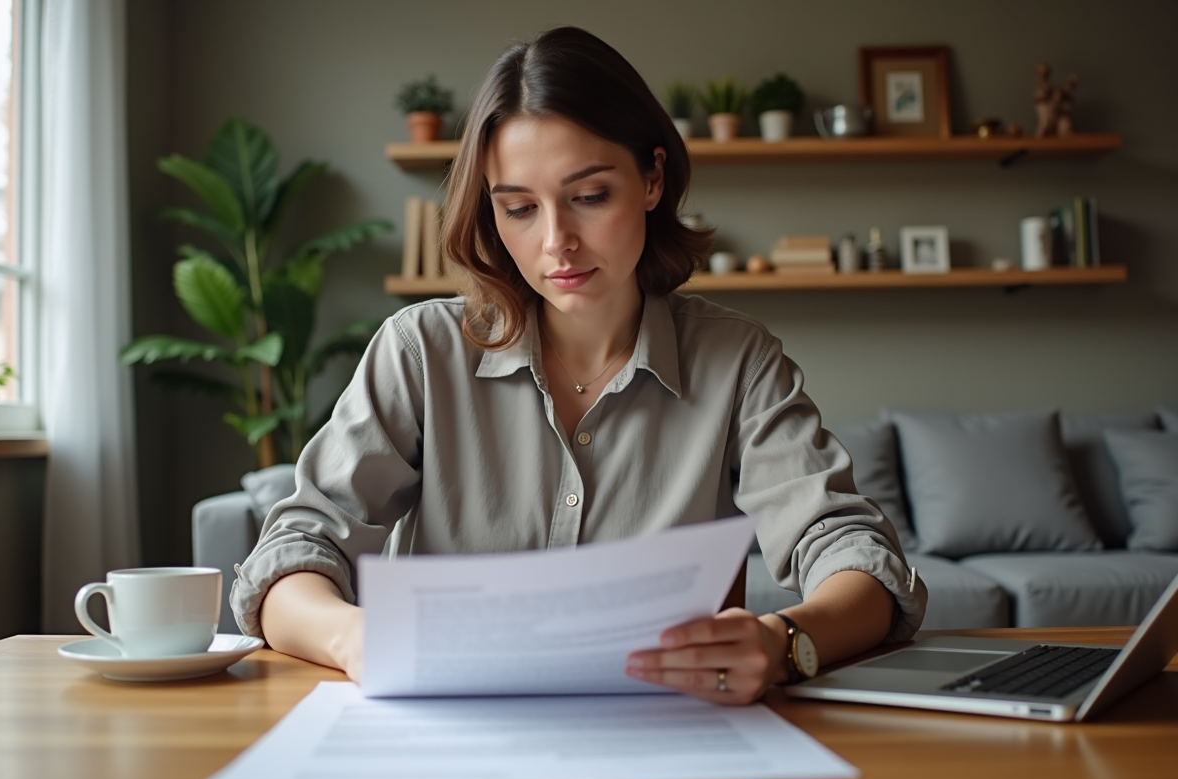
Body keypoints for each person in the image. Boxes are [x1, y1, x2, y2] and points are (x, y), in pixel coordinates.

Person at [231, 26, 926, 706]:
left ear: (652, 179)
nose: (557, 242)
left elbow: (850, 551)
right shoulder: (420, 351)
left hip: (669, 738)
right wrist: (355, 637)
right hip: (450, 739)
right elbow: (294, 551)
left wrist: (783, 641)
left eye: (590, 197)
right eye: (519, 208)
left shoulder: (737, 359)